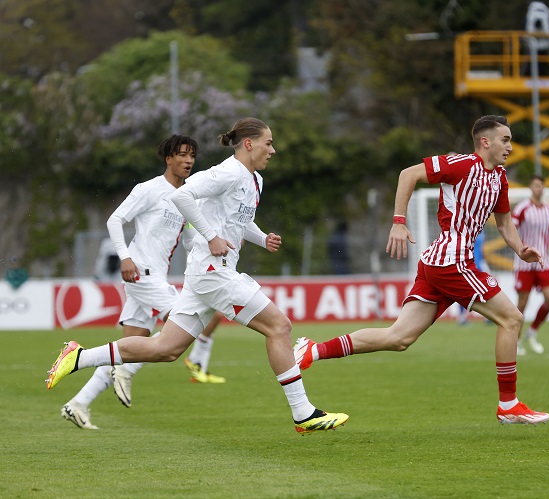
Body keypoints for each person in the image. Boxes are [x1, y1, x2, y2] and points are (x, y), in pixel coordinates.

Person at [47, 118, 348, 434]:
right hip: (211, 273)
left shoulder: (255, 180)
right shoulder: (227, 172)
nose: (272, 150)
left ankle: (79, 357)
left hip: (203, 277)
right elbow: (181, 197)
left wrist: (262, 239)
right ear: (248, 144)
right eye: (268, 143)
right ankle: (303, 413)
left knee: (167, 349)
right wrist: (210, 236)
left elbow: (239, 220)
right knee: (280, 326)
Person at [294, 115, 549, 425]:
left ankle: (313, 350)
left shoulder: (499, 178)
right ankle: (508, 405)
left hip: (438, 264)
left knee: (398, 338)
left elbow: (505, 223)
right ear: (486, 142)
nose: (510, 146)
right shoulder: (461, 164)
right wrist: (399, 222)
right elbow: (408, 174)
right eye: (505, 140)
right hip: (451, 262)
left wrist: (521, 249)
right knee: (512, 319)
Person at [59, 134, 225, 430]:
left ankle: (78, 404)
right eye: (183, 155)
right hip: (141, 274)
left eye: (192, 156)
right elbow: (115, 219)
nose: (188, 161)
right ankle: (115, 369)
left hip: (154, 277)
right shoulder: (149, 189)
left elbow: (187, 237)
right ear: (168, 158)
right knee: (184, 325)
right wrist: (125, 256)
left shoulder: (187, 196)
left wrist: (210, 244)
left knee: (129, 347)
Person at [513, 175, 549, 355]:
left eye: (541, 185)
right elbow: (511, 229)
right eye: (535, 185)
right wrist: (520, 248)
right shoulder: (522, 208)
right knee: (522, 304)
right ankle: (515, 340)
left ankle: (532, 332)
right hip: (524, 264)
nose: (539, 188)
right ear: (530, 187)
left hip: (544, 261)